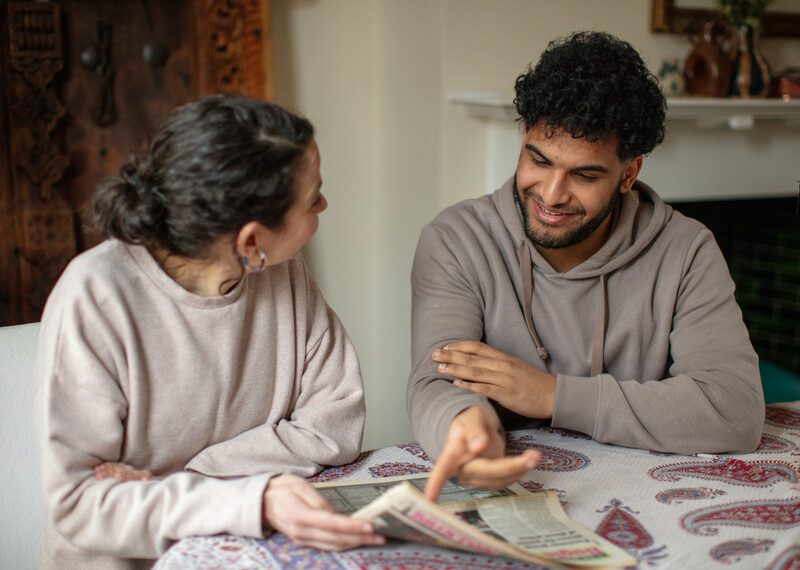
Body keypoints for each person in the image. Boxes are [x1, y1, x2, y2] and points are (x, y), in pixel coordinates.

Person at [408, 31, 765, 501]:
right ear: (524, 139)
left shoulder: (687, 250)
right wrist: (464, 426)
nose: (552, 195)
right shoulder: (456, 240)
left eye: (584, 174)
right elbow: (435, 382)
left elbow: (733, 408)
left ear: (628, 174)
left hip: (645, 496)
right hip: (518, 487)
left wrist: (553, 396)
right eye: (539, 160)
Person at [34, 95, 384, 569]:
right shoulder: (95, 296)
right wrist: (251, 499)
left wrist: (189, 480)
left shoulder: (283, 271)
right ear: (251, 240)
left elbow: (335, 421)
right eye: (313, 196)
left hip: (254, 554)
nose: (325, 203)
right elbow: (78, 504)